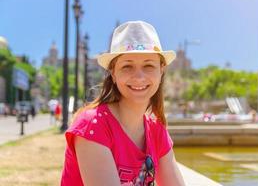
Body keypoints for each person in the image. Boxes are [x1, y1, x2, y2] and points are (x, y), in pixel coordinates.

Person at [61, 21, 185, 186]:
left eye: (148, 65)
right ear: (113, 73)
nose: (139, 77)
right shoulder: (93, 125)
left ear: (161, 71)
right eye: (127, 66)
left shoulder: (156, 130)